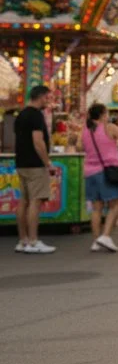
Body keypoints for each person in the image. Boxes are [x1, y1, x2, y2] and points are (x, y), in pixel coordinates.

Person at [82, 103, 118, 253]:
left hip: (90, 172)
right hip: (107, 171)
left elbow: (80, 146)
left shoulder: (85, 130)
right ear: (103, 115)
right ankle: (105, 235)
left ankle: (96, 240)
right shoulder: (109, 127)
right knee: (115, 204)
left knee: (96, 208)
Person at [14, 85, 56, 254]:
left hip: (21, 163)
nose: (49, 101)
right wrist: (47, 163)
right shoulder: (36, 116)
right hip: (35, 165)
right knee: (35, 202)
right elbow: (38, 141)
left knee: (23, 201)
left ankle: (22, 240)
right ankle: (33, 241)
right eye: (48, 98)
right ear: (40, 97)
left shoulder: (21, 115)